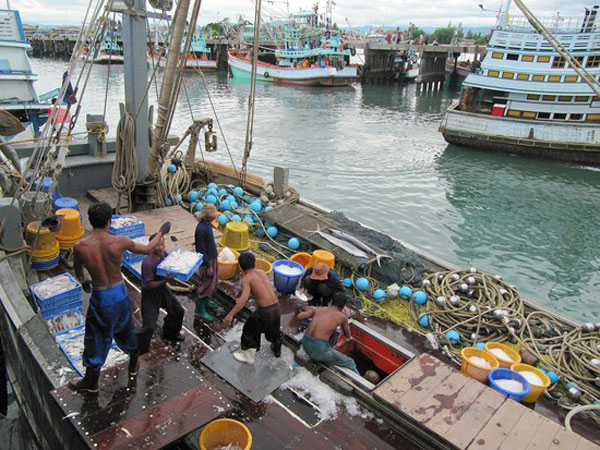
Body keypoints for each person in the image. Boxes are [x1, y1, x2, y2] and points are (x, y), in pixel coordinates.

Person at [69, 201, 171, 393]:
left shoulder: (80, 247)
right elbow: (148, 248)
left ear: (90, 222)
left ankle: (91, 381)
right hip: (119, 293)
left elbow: (79, 273)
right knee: (125, 329)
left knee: (96, 336)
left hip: (100, 296)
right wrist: (161, 232)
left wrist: (84, 282)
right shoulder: (120, 241)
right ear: (109, 222)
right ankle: (134, 362)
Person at [223, 253, 282, 364]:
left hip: (265, 311)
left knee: (249, 329)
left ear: (240, 267)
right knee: (274, 330)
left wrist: (230, 314)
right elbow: (260, 289)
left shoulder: (247, 279)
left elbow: (244, 299)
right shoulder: (262, 273)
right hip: (277, 307)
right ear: (254, 264)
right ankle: (277, 350)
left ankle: (248, 356)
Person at [136, 233, 185, 355]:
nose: (162, 247)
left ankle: (170, 333)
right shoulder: (148, 263)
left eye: (163, 243)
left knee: (178, 310)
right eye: (159, 245)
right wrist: (165, 280)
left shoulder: (164, 255)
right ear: (152, 247)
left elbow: (170, 266)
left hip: (162, 289)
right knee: (149, 325)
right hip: (150, 293)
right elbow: (149, 284)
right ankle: (140, 349)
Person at [297, 292, 358, 373]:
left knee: (332, 333)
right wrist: (348, 339)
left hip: (305, 342)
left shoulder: (319, 309)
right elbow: (348, 336)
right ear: (343, 307)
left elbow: (300, 316)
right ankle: (358, 382)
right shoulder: (342, 317)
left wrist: (309, 310)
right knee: (350, 362)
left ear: (331, 302)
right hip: (317, 350)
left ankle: (327, 350)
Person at [194, 203, 220, 321]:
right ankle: (199, 309)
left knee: (212, 282)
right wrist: (208, 266)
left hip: (212, 257)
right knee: (206, 284)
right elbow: (201, 250)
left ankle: (206, 301)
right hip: (207, 261)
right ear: (208, 216)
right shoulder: (200, 229)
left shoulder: (207, 224)